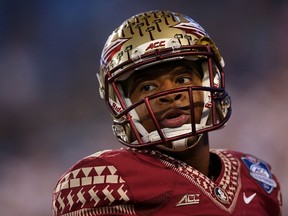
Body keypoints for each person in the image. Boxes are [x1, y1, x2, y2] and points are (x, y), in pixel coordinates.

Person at [52, 10, 282, 215]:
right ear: (120, 102)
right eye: (147, 87)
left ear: (211, 82)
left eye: (182, 79)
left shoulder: (255, 176)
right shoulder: (103, 179)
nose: (170, 94)